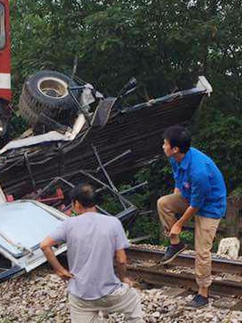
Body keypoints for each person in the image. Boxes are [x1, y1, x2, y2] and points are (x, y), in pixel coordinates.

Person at [40, 183, 144, 323]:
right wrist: (123, 278)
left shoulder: (68, 224)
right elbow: (121, 259)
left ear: (76, 203)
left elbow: (45, 245)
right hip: (110, 293)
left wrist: (59, 270)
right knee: (133, 300)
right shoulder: (113, 223)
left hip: (80, 295)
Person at [157, 125, 227, 308]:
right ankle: (175, 244)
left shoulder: (199, 171)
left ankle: (203, 294)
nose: (163, 146)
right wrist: (174, 212)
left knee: (202, 251)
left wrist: (179, 224)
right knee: (163, 203)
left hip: (210, 206)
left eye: (165, 143)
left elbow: (197, 205)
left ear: (175, 149)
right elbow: (178, 184)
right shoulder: (175, 159)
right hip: (190, 197)